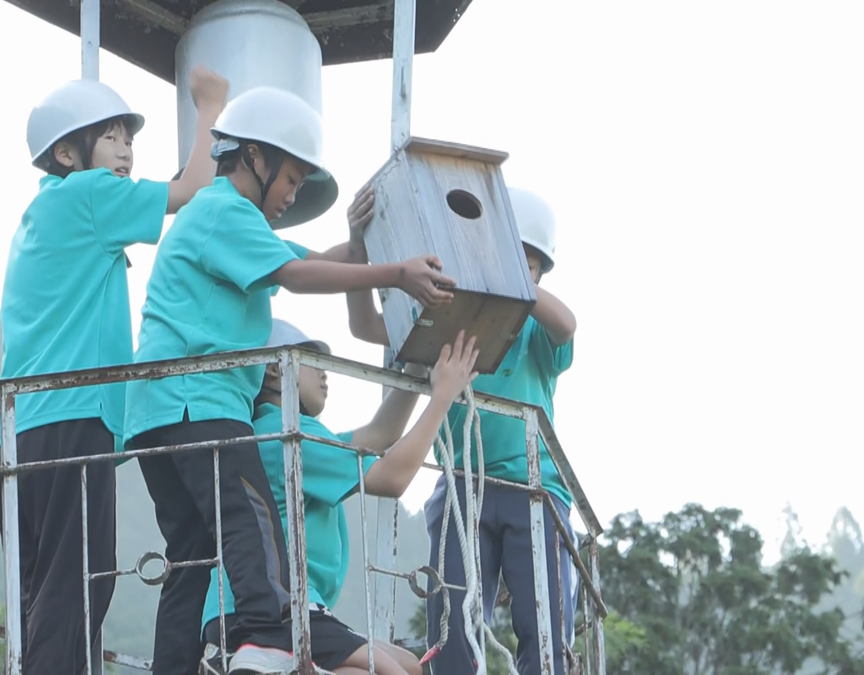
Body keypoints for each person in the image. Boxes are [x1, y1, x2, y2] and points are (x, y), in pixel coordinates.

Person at [122, 85, 458, 675]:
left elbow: (307, 258)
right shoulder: (223, 208)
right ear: (255, 156)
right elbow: (297, 274)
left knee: (194, 558)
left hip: (152, 415)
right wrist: (397, 273)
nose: (292, 195)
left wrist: (359, 246)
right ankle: (267, 642)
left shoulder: (223, 221)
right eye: (292, 180)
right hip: (198, 404)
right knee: (253, 532)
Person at [0, 67, 229, 675]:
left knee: (41, 599)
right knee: (78, 589)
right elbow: (192, 187)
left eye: (129, 137)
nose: (125, 148)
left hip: (15, 436)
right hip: (68, 423)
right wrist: (209, 108)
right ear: (67, 152)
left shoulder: (45, 215)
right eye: (111, 135)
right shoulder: (90, 196)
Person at [345, 186, 580, 675]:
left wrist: (505, 271)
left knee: (544, 626)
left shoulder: (536, 335)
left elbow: (566, 323)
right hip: (462, 487)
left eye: (528, 266)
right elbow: (368, 326)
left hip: (533, 489)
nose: (515, 273)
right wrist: (357, 247)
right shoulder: (453, 324)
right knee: (452, 622)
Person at [198, 320, 480, 675]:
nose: (326, 374)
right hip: (272, 611)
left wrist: (416, 368)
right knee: (391, 672)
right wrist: (441, 398)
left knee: (408, 664)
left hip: (244, 609)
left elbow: (379, 434)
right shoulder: (290, 435)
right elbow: (392, 478)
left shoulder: (279, 431)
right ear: (274, 369)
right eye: (314, 361)